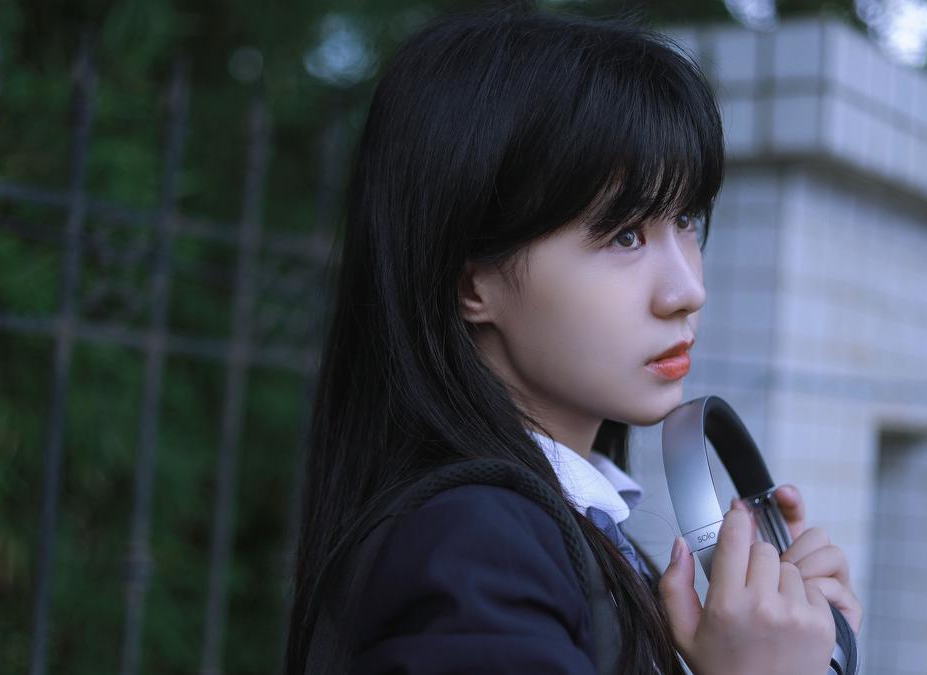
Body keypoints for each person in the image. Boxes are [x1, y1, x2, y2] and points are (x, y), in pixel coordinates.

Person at [282, 4, 863, 674]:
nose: (686, 290)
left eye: (686, 220)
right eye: (625, 235)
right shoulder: (474, 549)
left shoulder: (558, 531)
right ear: (473, 285)